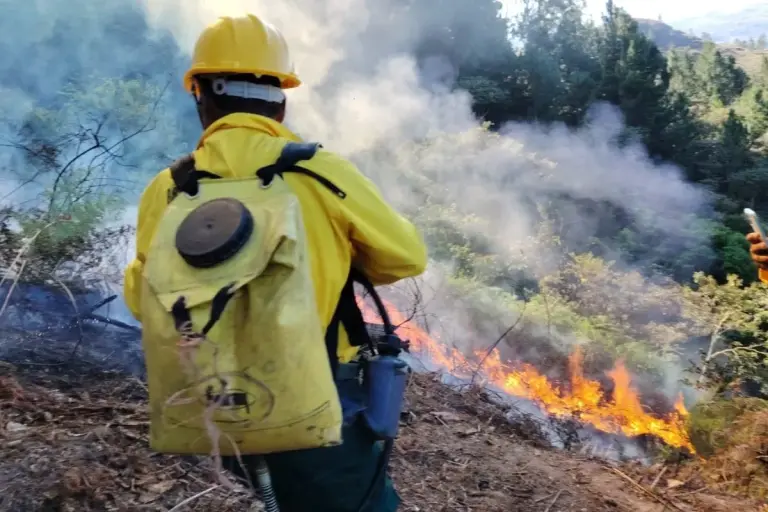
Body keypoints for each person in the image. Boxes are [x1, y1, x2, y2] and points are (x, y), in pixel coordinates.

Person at [123, 13, 427, 512]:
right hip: (313, 399)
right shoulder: (319, 171)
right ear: (281, 102)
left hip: (211, 403)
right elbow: (406, 258)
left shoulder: (170, 188)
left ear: (201, 95)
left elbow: (143, 298)